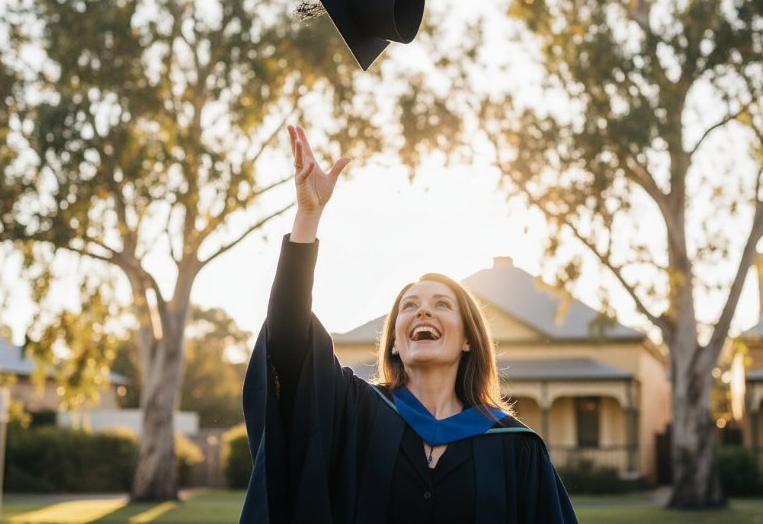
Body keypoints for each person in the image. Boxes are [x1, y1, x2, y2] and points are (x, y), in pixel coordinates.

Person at [241, 125, 579, 524]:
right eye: (409, 306)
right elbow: (289, 344)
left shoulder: (514, 447)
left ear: (469, 339)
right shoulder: (358, 412)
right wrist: (308, 218)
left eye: (441, 305)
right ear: (395, 343)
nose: (423, 312)